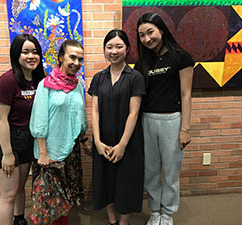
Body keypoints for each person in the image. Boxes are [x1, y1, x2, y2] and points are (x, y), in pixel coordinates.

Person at [134, 12, 195, 225]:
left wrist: (185, 129)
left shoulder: (181, 57)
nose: (147, 38)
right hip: (147, 121)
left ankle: (167, 213)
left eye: (150, 32)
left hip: (172, 120)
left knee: (170, 172)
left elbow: (186, 94)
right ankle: (155, 211)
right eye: (142, 35)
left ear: (161, 30)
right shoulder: (142, 63)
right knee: (150, 171)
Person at [88, 29, 146, 225]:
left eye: (119, 46)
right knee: (106, 181)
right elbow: (94, 111)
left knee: (126, 181)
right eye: (109, 47)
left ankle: (124, 222)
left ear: (127, 49)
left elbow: (134, 113)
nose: (114, 51)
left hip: (128, 140)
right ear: (104, 50)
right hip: (103, 139)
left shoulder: (135, 77)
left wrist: (122, 145)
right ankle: (112, 220)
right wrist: (96, 140)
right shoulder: (98, 78)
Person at [29, 39, 89, 225]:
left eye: (80, 59)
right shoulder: (45, 85)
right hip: (50, 152)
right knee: (50, 201)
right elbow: (39, 120)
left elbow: (80, 116)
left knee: (65, 199)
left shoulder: (78, 85)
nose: (76, 63)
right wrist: (43, 152)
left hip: (71, 150)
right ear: (61, 57)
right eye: (72, 57)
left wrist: (85, 139)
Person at [0, 33, 45, 225]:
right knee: (8, 194)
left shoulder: (39, 79)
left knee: (20, 187)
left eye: (35, 52)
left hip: (27, 137)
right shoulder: (7, 80)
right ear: (16, 55)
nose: (31, 56)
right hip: (6, 138)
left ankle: (19, 220)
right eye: (25, 52)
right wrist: (7, 153)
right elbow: (1, 119)